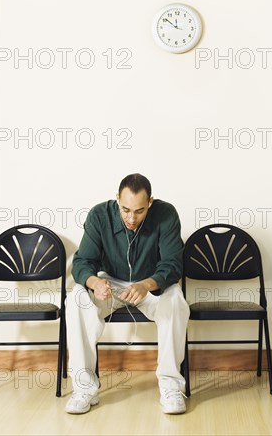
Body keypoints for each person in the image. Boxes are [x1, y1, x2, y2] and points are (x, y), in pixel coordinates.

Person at [65, 173, 190, 415]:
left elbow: (173, 264)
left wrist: (147, 284)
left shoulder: (167, 214)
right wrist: (94, 283)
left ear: (150, 202)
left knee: (175, 301)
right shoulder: (99, 215)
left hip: (150, 284)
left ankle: (171, 386)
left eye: (139, 211)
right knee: (77, 298)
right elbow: (82, 262)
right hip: (110, 284)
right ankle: (84, 388)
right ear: (117, 200)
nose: (131, 218)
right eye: (125, 210)